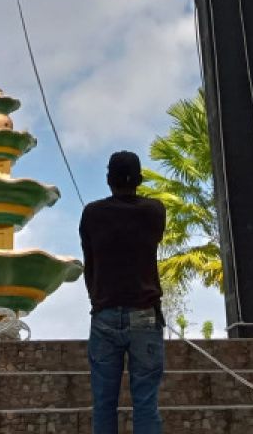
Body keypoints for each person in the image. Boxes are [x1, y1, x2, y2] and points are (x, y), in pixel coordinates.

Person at [79, 151, 167, 434]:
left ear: (107, 180)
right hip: (144, 313)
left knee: (104, 404)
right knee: (145, 402)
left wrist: (97, 299)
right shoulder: (155, 211)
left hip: (105, 312)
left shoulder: (92, 213)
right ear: (140, 179)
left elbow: (89, 263)